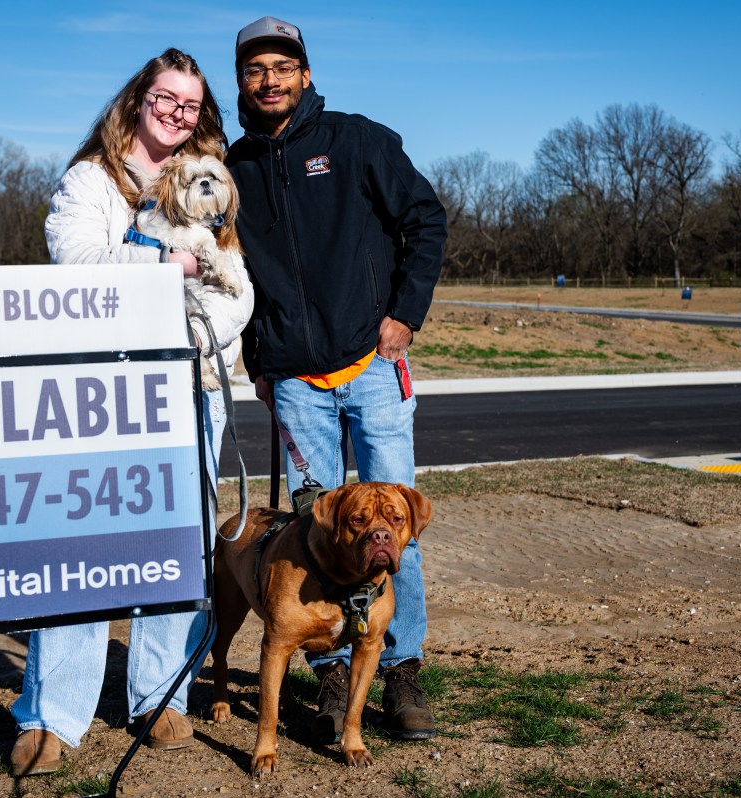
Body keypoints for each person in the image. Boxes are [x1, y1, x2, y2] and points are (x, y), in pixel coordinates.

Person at [8, 48, 254, 777]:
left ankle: (160, 694)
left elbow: (233, 287)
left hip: (192, 386)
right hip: (103, 395)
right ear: (138, 99)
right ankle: (53, 716)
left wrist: (192, 326)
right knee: (83, 549)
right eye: (164, 100)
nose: (176, 115)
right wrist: (164, 268)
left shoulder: (210, 178)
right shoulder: (93, 178)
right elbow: (76, 267)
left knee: (176, 547)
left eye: (189, 104)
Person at [225, 17, 447, 743]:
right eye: (256, 68)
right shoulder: (235, 169)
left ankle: (401, 673)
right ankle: (326, 678)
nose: (270, 79)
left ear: (306, 75)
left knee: (394, 531)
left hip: (371, 369)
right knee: (314, 530)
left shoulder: (355, 141)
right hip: (295, 382)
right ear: (242, 82)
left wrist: (405, 316)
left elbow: (426, 220)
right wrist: (260, 362)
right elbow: (238, 274)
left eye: (282, 66)